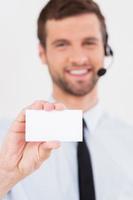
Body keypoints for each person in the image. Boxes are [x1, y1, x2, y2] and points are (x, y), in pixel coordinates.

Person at [0, 0, 133, 199]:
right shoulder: (7, 142)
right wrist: (5, 176)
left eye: (89, 43)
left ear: (105, 49)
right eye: (62, 44)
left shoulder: (128, 141)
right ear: (42, 53)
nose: (78, 58)